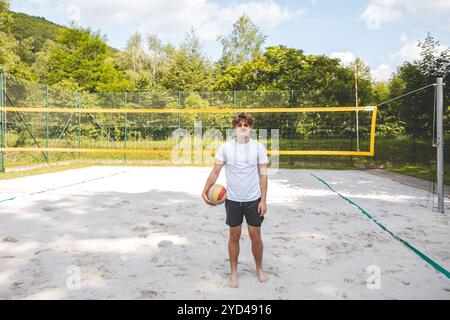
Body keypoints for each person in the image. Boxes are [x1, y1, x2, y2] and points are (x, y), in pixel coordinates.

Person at [202, 112, 269, 288]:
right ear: (235, 128)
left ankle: (259, 268)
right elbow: (216, 172)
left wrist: (263, 200)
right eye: (239, 125)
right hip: (232, 200)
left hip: (253, 199)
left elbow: (263, 176)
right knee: (234, 236)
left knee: (256, 236)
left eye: (246, 125)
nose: (243, 128)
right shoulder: (225, 147)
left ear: (251, 128)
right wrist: (205, 189)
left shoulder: (258, 148)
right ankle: (233, 272)